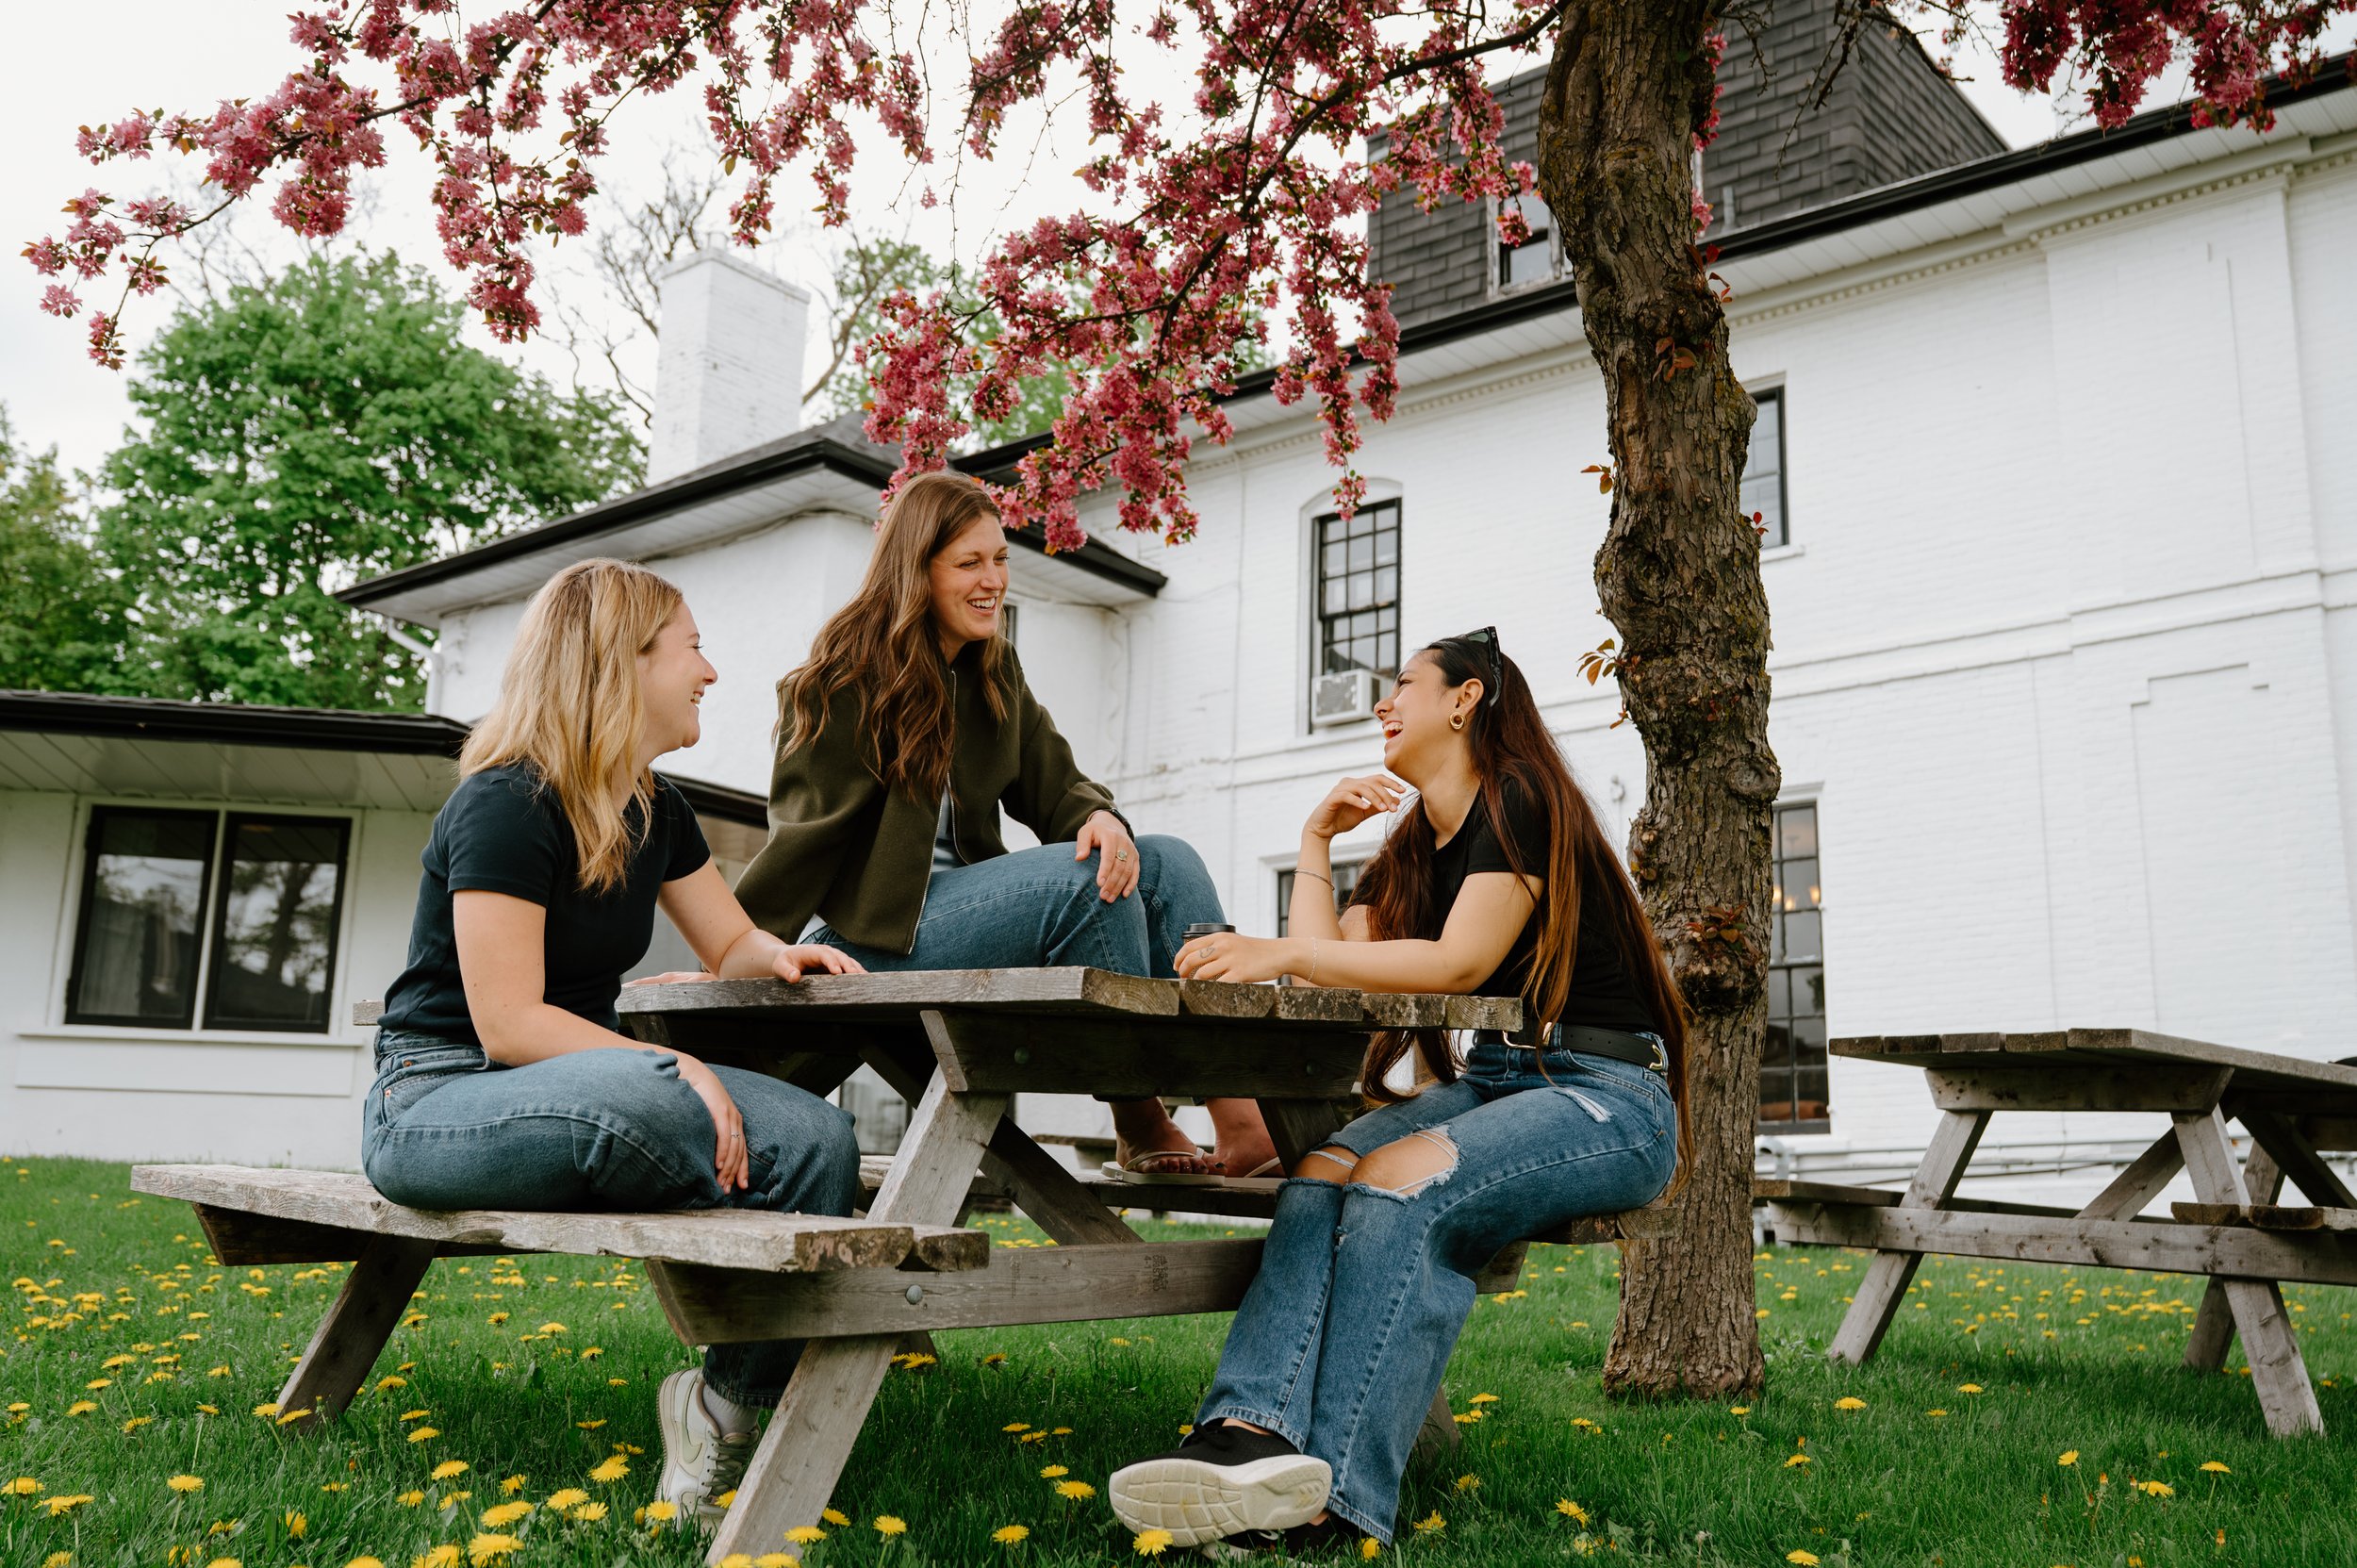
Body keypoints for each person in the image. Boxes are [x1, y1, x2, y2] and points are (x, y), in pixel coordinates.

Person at [1106, 628, 1691, 1553]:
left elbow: (1454, 962)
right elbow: (1319, 987)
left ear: (1464, 700)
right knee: (1325, 1166)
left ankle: (1333, 1500)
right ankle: (1248, 1435)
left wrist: (1287, 948)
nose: (1381, 702)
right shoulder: (1425, 838)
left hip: (1607, 1097)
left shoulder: (1519, 798)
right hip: (1503, 1079)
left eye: (1402, 685)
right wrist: (1313, 841)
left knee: (1396, 1183)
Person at [361, 558, 868, 1527]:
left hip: (587, 1086)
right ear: (619, 662)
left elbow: (728, 938)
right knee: (655, 1100)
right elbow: (507, 1024)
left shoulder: (653, 806)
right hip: (437, 1099)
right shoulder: (506, 801)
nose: (711, 672)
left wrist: (787, 956)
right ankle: (718, 1234)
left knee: (817, 1143)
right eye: (692, 648)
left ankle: (718, 1408)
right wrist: (667, 1063)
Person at [733, 470, 1277, 1185]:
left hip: (976, 916)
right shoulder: (843, 680)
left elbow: (1059, 785)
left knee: (1167, 858)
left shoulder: (993, 670)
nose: (993, 580)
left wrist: (1101, 816)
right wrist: (733, 946)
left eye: (1000, 559)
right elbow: (801, 839)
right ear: (916, 571)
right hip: (877, 939)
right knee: (1083, 879)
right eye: (969, 563)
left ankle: (1240, 1113)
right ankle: (1136, 1112)